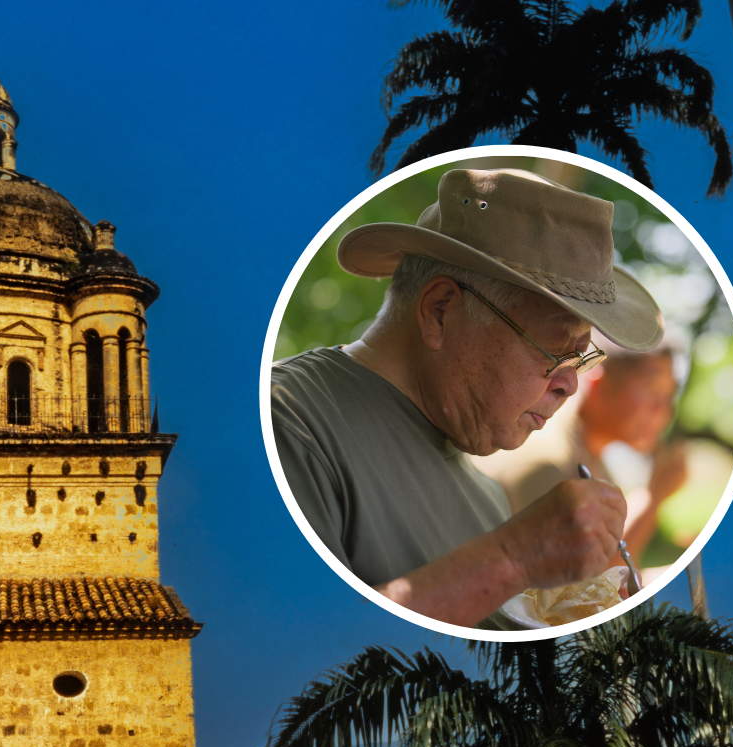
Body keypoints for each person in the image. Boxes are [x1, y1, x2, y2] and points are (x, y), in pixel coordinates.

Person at [270, 168, 665, 628]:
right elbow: (301, 653)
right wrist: (511, 559)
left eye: (581, 356)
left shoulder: (488, 497)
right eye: (553, 349)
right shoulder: (289, 422)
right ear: (439, 311)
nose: (569, 383)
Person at [472, 338, 687, 565]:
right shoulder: (548, 464)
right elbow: (573, 591)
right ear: (598, 384)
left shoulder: (593, 463)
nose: (662, 410)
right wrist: (652, 499)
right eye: (653, 390)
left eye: (668, 396)